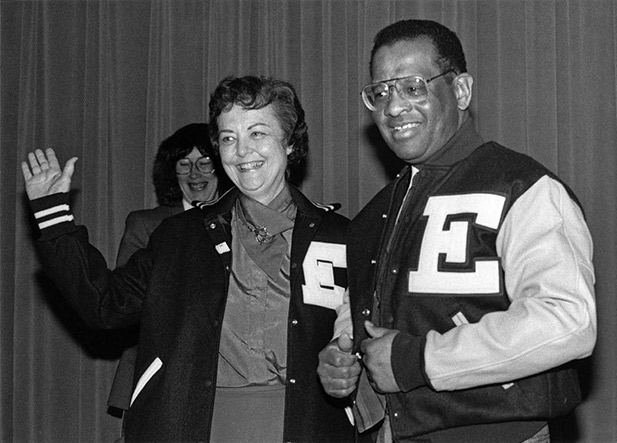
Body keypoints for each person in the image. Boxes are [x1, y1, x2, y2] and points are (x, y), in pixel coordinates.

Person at [22, 75, 354, 442]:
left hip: (307, 427)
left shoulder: (339, 236)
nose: (242, 152)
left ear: (290, 143)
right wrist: (53, 216)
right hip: (194, 427)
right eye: (229, 138)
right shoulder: (181, 236)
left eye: (257, 133)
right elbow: (104, 304)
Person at [317, 19, 596, 443]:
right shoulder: (374, 215)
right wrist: (342, 355)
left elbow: (567, 321)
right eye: (381, 92)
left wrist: (418, 361)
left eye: (412, 87)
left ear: (461, 91)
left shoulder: (522, 187)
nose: (392, 107)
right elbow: (360, 307)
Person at [107, 122, 229, 424]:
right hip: (160, 376)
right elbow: (124, 302)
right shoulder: (146, 224)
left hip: (230, 377)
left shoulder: (242, 222)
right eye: (183, 164)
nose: (194, 174)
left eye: (205, 163)